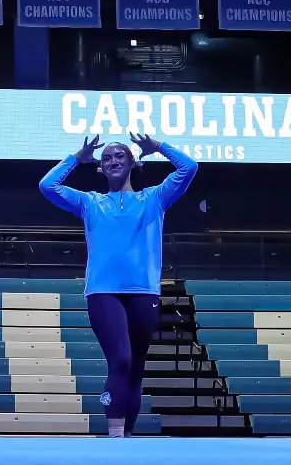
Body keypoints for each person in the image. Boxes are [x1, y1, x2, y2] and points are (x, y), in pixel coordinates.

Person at [40, 132, 196, 438]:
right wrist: (75, 158)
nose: (113, 160)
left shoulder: (154, 198)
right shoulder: (89, 202)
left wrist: (159, 147)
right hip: (103, 291)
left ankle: (127, 439)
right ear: (100, 167)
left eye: (120, 156)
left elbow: (188, 168)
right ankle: (114, 436)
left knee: (136, 367)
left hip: (144, 291)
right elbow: (48, 186)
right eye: (107, 157)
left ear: (133, 162)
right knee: (121, 359)